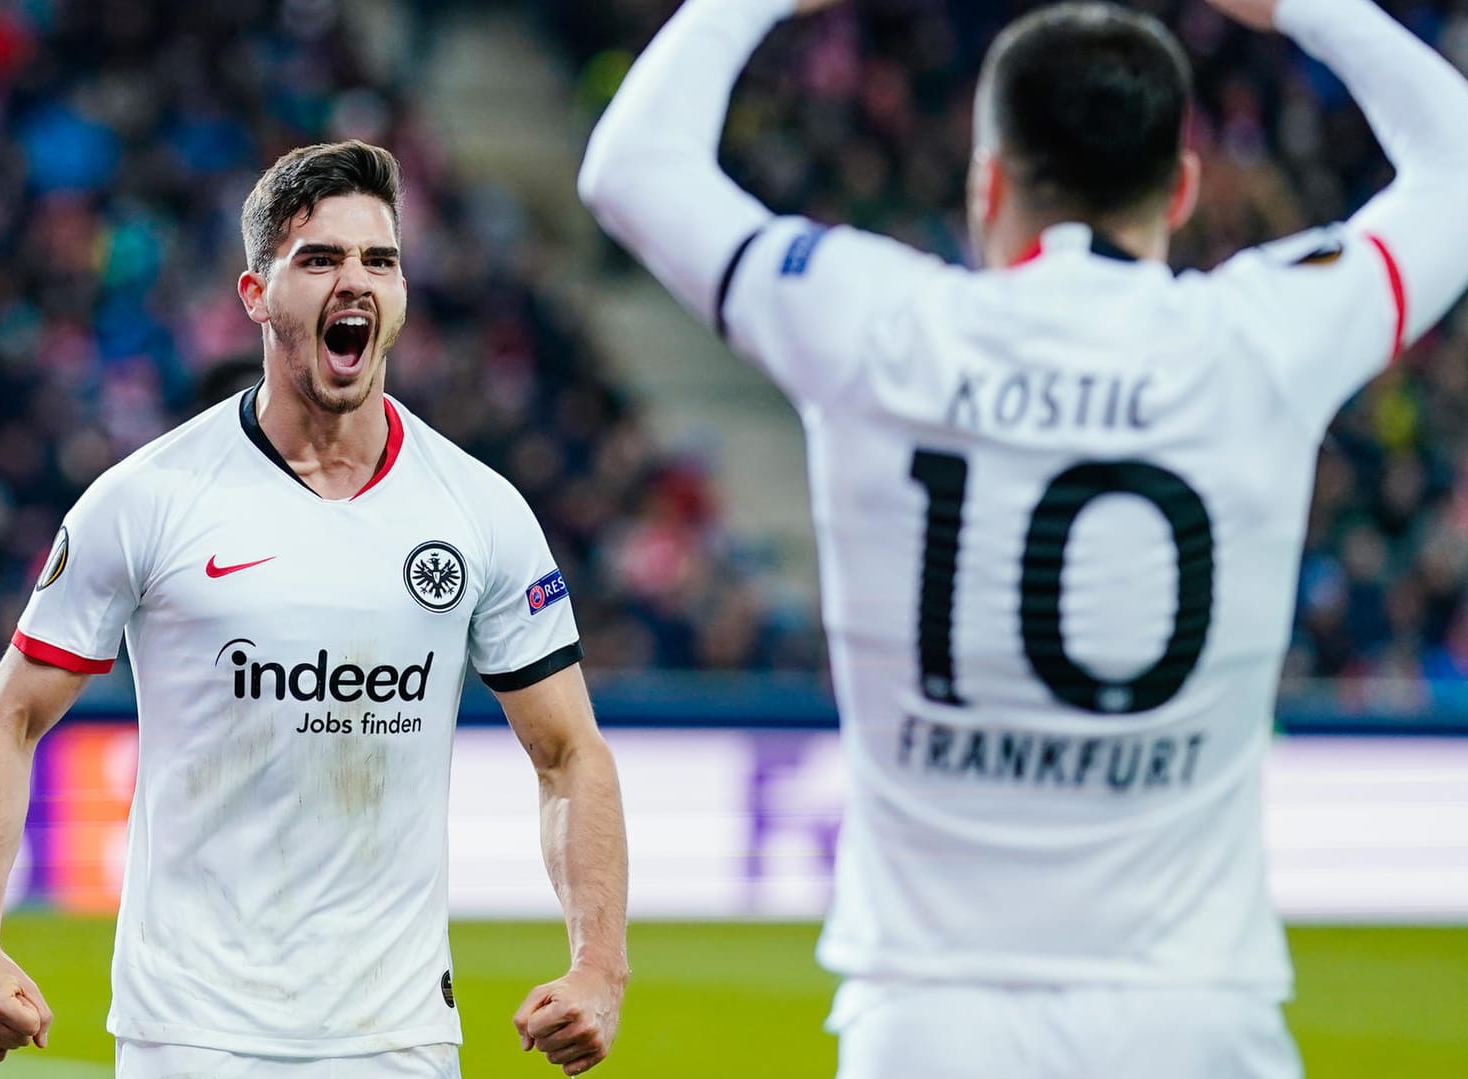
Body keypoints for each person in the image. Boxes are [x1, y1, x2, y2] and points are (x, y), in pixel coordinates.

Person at [579, 0, 1468, 1075]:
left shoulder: (876, 323)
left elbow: (629, 169)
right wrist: (1310, 10)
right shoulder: (1261, 337)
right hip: (1197, 1012)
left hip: (929, 1019)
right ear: (1181, 188)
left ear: (985, 182)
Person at [0, 139, 628, 1079]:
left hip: (400, 1035)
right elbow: (10, 720)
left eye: (378, 259)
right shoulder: (148, 498)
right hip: (192, 1029)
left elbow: (570, 752)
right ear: (256, 295)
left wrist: (600, 965)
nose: (355, 280)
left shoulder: (480, 509)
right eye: (319, 259)